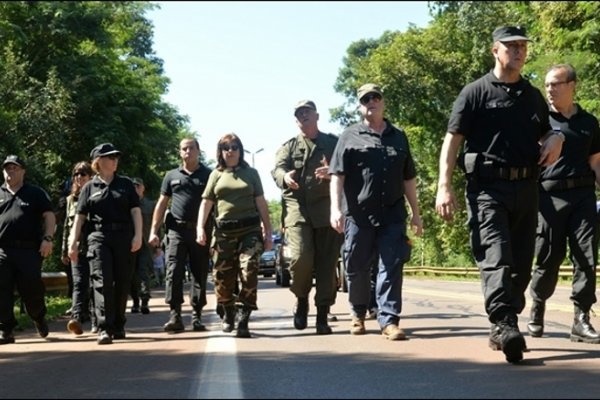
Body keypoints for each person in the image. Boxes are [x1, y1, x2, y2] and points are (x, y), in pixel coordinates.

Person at [435, 26, 564, 363]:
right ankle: (505, 323)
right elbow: (452, 142)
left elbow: (548, 133)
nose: (518, 52)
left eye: (522, 46)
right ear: (495, 50)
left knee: (521, 264)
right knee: (497, 256)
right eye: (511, 46)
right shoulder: (475, 93)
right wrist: (443, 185)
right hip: (487, 190)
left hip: (526, 189)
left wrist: (556, 139)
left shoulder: (533, 95)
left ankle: (503, 323)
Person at [329, 83, 423, 341]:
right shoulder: (349, 136)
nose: (371, 101)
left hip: (393, 214)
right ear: (360, 106)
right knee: (357, 267)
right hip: (358, 216)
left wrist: (416, 213)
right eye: (365, 99)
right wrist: (335, 209)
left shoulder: (398, 136)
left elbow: (409, 179)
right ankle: (358, 313)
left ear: (383, 102)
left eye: (375, 97)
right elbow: (337, 176)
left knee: (391, 266)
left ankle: (389, 320)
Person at [527, 64, 600, 344]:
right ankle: (538, 303)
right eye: (547, 85)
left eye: (555, 84)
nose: (549, 89)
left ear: (572, 85)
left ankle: (581, 319)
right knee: (548, 258)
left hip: (582, 197)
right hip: (549, 198)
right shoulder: (540, 121)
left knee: (586, 258)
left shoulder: (588, 123)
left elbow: (596, 163)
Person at [272, 99, 343, 335]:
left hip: (326, 210)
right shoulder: (289, 146)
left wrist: (331, 174)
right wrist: (285, 178)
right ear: (296, 120)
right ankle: (301, 298)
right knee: (301, 258)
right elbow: (277, 169)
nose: (303, 116)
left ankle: (322, 314)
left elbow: (345, 170)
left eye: (307, 112)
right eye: (299, 114)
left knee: (327, 264)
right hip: (298, 210)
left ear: (317, 116)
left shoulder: (333, 143)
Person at [196, 133, 273, 338]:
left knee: (249, 270)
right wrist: (200, 228)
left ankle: (243, 318)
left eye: (235, 147)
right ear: (220, 152)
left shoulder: (251, 174)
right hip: (223, 233)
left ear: (240, 150)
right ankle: (228, 311)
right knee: (223, 277)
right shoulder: (216, 175)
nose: (231, 151)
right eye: (226, 147)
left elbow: (261, 202)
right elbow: (206, 203)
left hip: (249, 231)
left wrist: (268, 232)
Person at [68, 143, 142, 345]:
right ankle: (104, 327)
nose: (114, 160)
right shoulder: (89, 188)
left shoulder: (125, 184)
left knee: (122, 281)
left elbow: (135, 211)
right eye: (110, 157)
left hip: (123, 237)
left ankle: (118, 323)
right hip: (98, 237)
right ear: (98, 162)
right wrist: (72, 242)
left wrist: (138, 236)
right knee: (101, 280)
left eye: (116, 157)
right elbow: (80, 218)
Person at [148, 138, 212, 333]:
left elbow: (215, 204)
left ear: (198, 151)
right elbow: (161, 204)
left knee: (199, 273)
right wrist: (153, 231)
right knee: (173, 271)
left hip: (200, 231)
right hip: (176, 231)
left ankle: (196, 316)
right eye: (184, 149)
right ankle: (175, 315)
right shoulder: (171, 176)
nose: (188, 152)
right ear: (179, 152)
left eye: (191, 148)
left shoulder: (209, 175)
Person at [0, 155, 56, 345]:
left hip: (28, 251)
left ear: (23, 171)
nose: (10, 171)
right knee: (1, 290)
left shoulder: (35, 193)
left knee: (32, 290)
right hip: (2, 251)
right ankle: (6, 329)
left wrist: (48, 238)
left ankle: (38, 316)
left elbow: (49, 216)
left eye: (15, 168)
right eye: (7, 168)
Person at [61, 161, 96, 335]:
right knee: (78, 283)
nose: (79, 177)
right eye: (76, 174)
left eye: (83, 173)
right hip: (76, 247)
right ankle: (76, 317)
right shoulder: (70, 200)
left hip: (95, 246)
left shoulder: (97, 195)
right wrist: (65, 249)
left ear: (91, 176)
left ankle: (95, 317)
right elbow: (67, 227)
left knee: (94, 283)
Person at [129, 177, 156, 314]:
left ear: (143, 188)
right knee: (132, 274)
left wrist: (157, 245)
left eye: (138, 186)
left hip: (146, 244)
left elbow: (156, 226)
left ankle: (144, 300)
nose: (135, 189)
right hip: (130, 245)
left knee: (143, 272)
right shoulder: (126, 204)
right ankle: (135, 301)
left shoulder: (151, 205)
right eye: (133, 186)